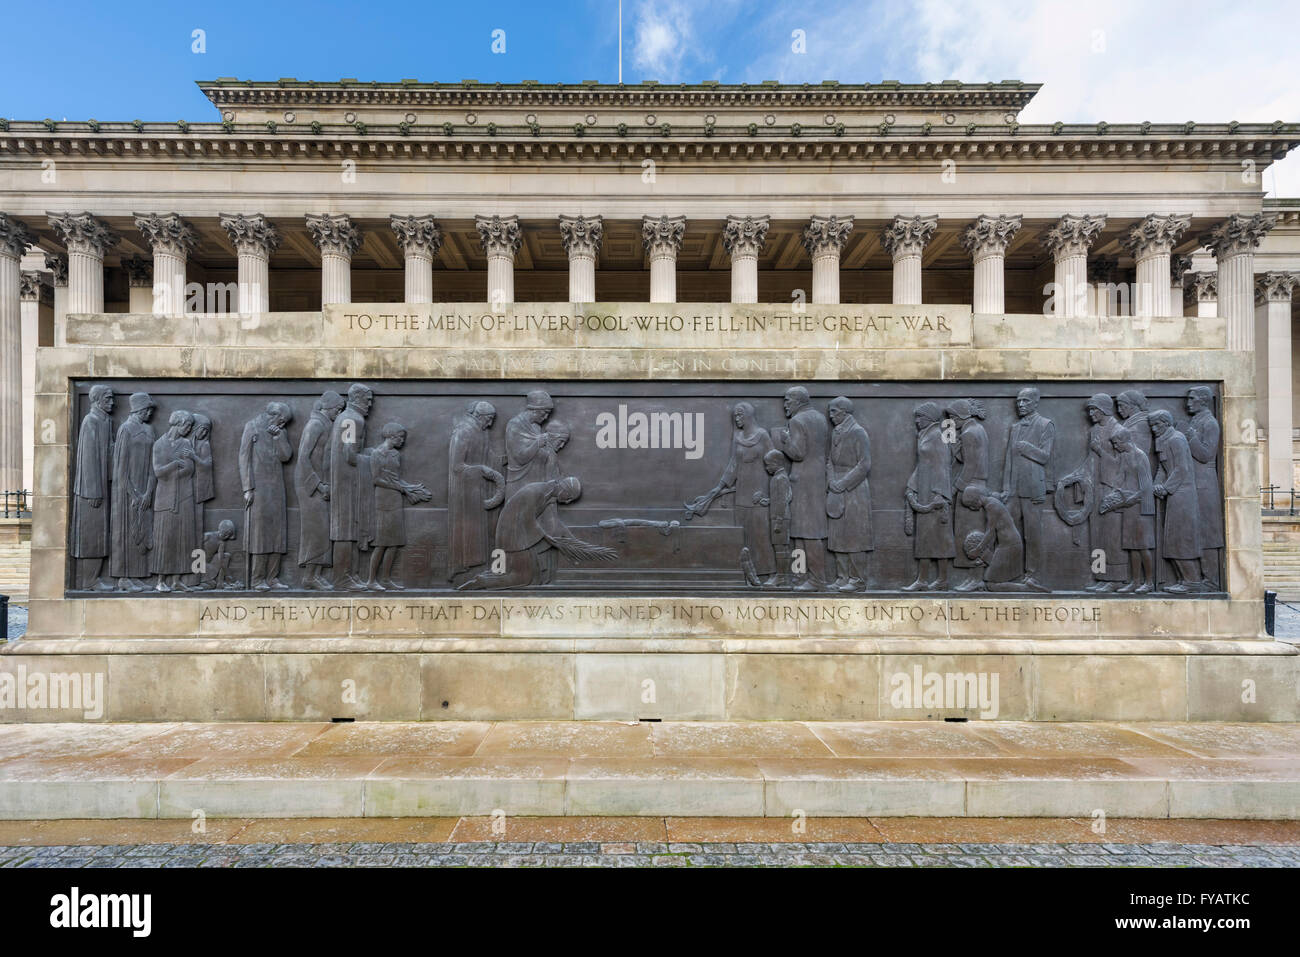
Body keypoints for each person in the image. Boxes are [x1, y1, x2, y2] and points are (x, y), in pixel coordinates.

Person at [459, 476, 616, 589]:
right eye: (569, 498)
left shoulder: (548, 495)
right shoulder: (536, 491)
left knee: (526, 574)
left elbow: (556, 524)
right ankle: (481, 581)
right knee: (522, 577)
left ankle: (487, 577)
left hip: (518, 535)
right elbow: (527, 519)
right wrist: (546, 538)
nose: (567, 502)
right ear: (564, 490)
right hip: (512, 536)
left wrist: (573, 542)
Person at [687, 401, 775, 583]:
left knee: (761, 534)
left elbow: (774, 463)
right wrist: (718, 487)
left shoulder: (763, 436)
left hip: (759, 495)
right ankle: (747, 573)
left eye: (740, 415)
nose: (737, 418)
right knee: (743, 535)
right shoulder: (737, 436)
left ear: (749, 415)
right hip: (742, 494)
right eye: (735, 415)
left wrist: (769, 494)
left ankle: (769, 574)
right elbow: (733, 465)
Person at [772, 386, 829, 591]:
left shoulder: (797, 421)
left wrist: (785, 440)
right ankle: (799, 577)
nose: (785, 404)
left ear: (798, 401)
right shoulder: (821, 418)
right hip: (816, 479)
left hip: (803, 481)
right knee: (802, 531)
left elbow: (798, 453)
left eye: (788, 400)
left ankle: (816, 580)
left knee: (807, 532)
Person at [998, 387, 1055, 587]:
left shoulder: (1046, 425)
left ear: (1035, 402)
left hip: (1033, 490)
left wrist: (1027, 448)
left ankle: (1034, 576)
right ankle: (1007, 571)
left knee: (1032, 535)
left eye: (1025, 401)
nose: (1020, 405)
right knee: (1008, 532)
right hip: (1014, 490)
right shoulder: (1015, 427)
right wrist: (1006, 488)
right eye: (1019, 401)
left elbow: (1045, 457)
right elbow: (1009, 461)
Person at [366, 423, 432, 590]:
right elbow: (376, 479)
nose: (402, 440)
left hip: (395, 499)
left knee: (394, 542)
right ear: (390, 436)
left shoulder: (395, 454)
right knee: (381, 542)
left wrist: (411, 488)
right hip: (383, 500)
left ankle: (386, 579)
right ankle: (372, 580)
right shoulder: (377, 454)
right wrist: (401, 488)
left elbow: (396, 478)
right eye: (400, 437)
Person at [447, 400, 504, 583]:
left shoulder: (482, 432)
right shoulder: (463, 431)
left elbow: (489, 457)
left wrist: (505, 460)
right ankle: (460, 568)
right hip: (463, 490)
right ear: (479, 416)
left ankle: (476, 565)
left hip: (478, 488)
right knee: (467, 529)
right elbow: (456, 466)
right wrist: (481, 470)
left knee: (479, 530)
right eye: (489, 419)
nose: (490, 424)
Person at [240, 401, 293, 591]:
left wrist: (279, 437)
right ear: (273, 415)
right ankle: (257, 579)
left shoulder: (280, 431)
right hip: (258, 488)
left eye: (285, 422)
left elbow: (286, 456)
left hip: (277, 487)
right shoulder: (252, 427)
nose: (283, 424)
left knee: (277, 532)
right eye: (282, 420)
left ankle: (273, 578)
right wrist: (247, 488)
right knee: (260, 534)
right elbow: (243, 457)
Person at [1152, 409, 1205, 592]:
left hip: (1183, 495)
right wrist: (1156, 485)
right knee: (1173, 539)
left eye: (1156, 425)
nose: (1153, 429)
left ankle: (1192, 581)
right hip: (1173, 495)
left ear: (1166, 423)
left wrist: (1166, 488)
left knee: (1182, 539)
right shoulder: (1162, 440)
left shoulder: (1177, 439)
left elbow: (1181, 469)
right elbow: (1163, 467)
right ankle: (1183, 580)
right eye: (1151, 425)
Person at [296, 391, 345, 590]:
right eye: (337, 409)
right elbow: (303, 458)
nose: (338, 412)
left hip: (321, 484)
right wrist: (319, 485)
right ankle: (309, 576)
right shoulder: (315, 425)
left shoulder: (327, 424)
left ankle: (316, 573)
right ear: (327, 407)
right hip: (309, 485)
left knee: (323, 529)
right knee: (315, 529)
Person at [904, 402, 955, 590]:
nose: (917, 421)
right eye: (916, 417)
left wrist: (940, 494)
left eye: (920, 417)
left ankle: (943, 579)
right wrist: (911, 486)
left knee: (940, 538)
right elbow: (922, 464)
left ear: (930, 418)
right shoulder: (924, 434)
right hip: (923, 491)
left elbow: (943, 465)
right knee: (924, 537)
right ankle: (922, 580)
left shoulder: (938, 436)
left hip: (935, 495)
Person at [110, 392, 157, 591]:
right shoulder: (126, 429)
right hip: (127, 492)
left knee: (141, 533)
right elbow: (120, 467)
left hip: (145, 490)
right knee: (127, 532)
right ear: (138, 409)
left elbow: (153, 464)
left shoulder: (149, 430)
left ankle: (137, 576)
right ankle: (123, 577)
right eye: (147, 409)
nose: (150, 413)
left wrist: (147, 492)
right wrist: (133, 493)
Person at [826, 396, 872, 592]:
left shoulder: (858, 432)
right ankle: (842, 576)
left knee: (854, 535)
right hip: (835, 487)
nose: (830, 415)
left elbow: (865, 464)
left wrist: (843, 483)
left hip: (854, 490)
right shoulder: (836, 432)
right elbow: (829, 461)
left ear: (845, 412)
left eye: (834, 411)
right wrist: (831, 481)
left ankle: (858, 579)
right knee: (837, 535)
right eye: (830, 411)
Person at [1101, 426, 1156, 593]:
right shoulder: (1125, 456)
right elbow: (1121, 478)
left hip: (1141, 507)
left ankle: (1149, 582)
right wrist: (1113, 494)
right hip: (1129, 506)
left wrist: (1131, 499)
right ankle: (1135, 582)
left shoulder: (1140, 456)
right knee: (1131, 546)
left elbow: (1147, 486)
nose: (1115, 446)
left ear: (1125, 441)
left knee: (1143, 546)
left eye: (1117, 443)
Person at [330, 383, 374, 589]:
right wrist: (371, 458)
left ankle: (352, 574)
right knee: (345, 530)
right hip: (347, 482)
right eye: (368, 399)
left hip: (348, 481)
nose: (371, 404)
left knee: (351, 529)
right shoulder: (352, 419)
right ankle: (341, 578)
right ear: (356, 398)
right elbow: (350, 454)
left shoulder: (349, 418)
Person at [71, 384, 114, 591]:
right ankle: (88, 580)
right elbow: (88, 460)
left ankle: (94, 578)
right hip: (91, 492)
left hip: (103, 489)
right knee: (91, 536)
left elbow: (109, 453)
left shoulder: (106, 421)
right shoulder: (91, 421)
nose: (112, 402)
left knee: (100, 536)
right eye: (108, 398)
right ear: (97, 400)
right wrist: (93, 491)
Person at [150, 409, 198, 592]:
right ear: (178, 424)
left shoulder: (186, 443)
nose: (189, 429)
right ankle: (161, 580)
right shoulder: (159, 445)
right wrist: (175, 465)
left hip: (184, 498)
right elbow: (158, 472)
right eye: (187, 425)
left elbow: (190, 469)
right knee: (165, 539)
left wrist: (180, 469)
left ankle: (177, 580)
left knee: (183, 540)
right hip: (165, 500)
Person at [947, 398, 988, 590]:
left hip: (970, 487)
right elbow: (967, 458)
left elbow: (970, 465)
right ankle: (973, 578)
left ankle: (976, 579)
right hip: (977, 485)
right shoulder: (976, 429)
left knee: (970, 534)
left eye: (953, 418)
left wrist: (956, 487)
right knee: (972, 533)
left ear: (961, 416)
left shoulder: (970, 433)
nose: (951, 422)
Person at [1185, 386, 1223, 587]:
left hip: (1205, 484)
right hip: (1193, 482)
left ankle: (1211, 580)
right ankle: (1197, 577)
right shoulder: (1196, 420)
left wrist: (1190, 437)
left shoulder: (1210, 423)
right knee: (1196, 530)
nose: (1187, 403)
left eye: (1191, 399)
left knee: (1208, 531)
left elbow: (1207, 455)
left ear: (1203, 400)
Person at [959, 486, 1024, 590]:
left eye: (971, 504)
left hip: (1010, 546)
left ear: (977, 498)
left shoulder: (991, 505)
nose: (972, 508)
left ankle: (1027, 588)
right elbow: (993, 534)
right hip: (1005, 545)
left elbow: (990, 532)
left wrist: (978, 549)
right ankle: (974, 581)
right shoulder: (991, 503)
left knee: (991, 585)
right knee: (991, 583)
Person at [755, 448, 792, 588]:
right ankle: (782, 576)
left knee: (780, 549)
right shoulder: (780, 477)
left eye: (768, 464)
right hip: (779, 517)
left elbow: (783, 500)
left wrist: (778, 521)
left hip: (780, 519)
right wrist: (769, 501)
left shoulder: (780, 478)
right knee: (779, 548)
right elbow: (784, 497)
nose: (766, 468)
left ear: (777, 463)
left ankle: (782, 577)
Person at [198, 519, 237, 589]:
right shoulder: (208, 536)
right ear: (221, 529)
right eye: (226, 532)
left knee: (226, 556)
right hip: (197, 563)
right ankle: (198, 581)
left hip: (208, 565)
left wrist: (228, 575)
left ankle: (220, 583)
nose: (226, 536)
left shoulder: (221, 543)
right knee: (210, 584)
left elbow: (221, 559)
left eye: (229, 534)